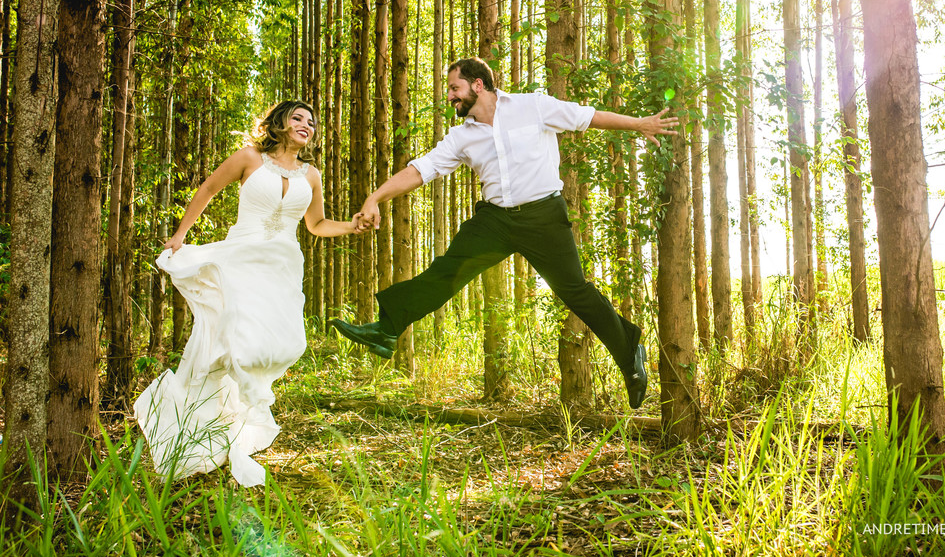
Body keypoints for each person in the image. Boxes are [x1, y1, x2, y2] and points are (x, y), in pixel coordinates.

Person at [333, 57, 678, 410]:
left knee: (574, 290)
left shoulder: (532, 106)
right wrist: (375, 197)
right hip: (496, 220)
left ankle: (628, 351)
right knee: (448, 270)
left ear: (478, 85)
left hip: (543, 215)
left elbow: (587, 116)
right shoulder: (462, 136)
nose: (450, 96)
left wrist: (639, 124)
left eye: (455, 88)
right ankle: (388, 329)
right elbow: (422, 170)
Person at [134, 100, 363, 487]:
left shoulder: (312, 175)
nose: (307, 125)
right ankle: (204, 419)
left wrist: (351, 226)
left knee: (288, 344)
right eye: (298, 118)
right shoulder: (248, 158)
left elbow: (318, 224)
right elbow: (208, 189)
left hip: (281, 264)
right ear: (280, 122)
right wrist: (179, 235)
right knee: (235, 339)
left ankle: (228, 414)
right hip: (241, 256)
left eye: (312, 122)